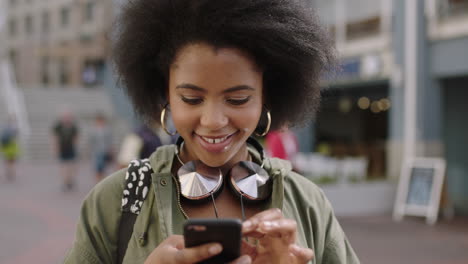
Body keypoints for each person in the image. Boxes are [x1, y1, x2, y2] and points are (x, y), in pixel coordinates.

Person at [65, 0, 359, 263]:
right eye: (191, 99)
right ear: (164, 93)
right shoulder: (116, 200)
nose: (213, 120)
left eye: (238, 99)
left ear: (266, 97)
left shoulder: (308, 202)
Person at [51, 110, 79, 191]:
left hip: (71, 148)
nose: (66, 118)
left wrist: (76, 147)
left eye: (68, 116)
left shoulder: (73, 126)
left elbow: (76, 138)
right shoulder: (58, 126)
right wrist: (55, 148)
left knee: (71, 166)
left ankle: (70, 180)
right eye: (65, 116)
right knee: (63, 166)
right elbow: (54, 138)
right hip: (62, 148)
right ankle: (65, 181)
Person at [89, 113, 114, 182]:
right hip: (96, 151)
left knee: (103, 167)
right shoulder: (93, 130)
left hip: (104, 151)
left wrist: (110, 150)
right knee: (97, 167)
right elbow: (91, 141)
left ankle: (102, 181)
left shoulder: (107, 129)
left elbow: (110, 141)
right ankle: (97, 181)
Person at [1, 115, 20, 182]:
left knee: (7, 160)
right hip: (12, 146)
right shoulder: (14, 127)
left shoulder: (4, 127)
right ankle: (11, 171)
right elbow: (16, 135)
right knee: (12, 160)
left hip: (5, 146)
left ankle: (8, 170)